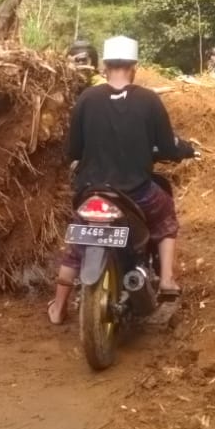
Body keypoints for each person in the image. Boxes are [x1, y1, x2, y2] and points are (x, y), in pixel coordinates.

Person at [47, 35, 194, 325]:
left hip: (91, 193)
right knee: (165, 216)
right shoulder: (149, 100)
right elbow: (167, 146)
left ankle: (58, 307)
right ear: (134, 67)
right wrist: (184, 150)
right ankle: (166, 279)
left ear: (103, 67)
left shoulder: (86, 99)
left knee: (77, 243)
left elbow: (72, 150)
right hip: (136, 193)